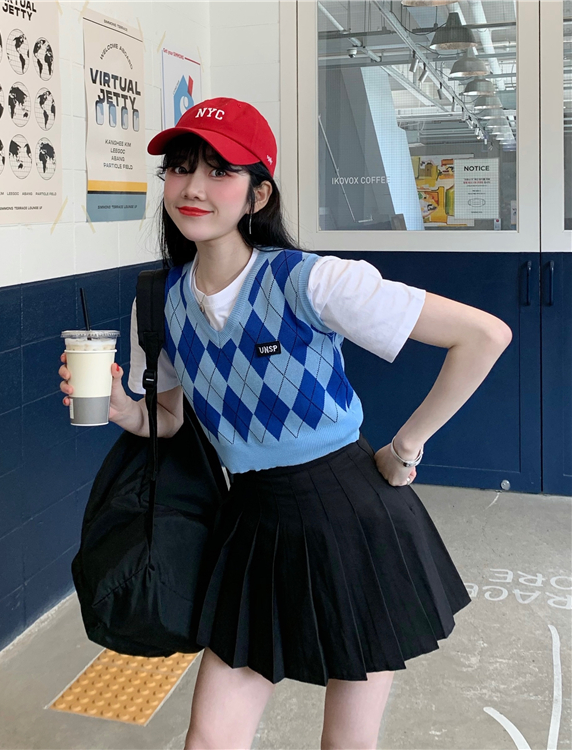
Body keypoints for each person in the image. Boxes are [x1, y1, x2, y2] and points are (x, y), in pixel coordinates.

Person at [59, 97, 512, 750]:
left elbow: (484, 336)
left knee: (345, 744)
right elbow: (171, 417)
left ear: (258, 194)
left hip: (351, 517)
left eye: (220, 171)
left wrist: (405, 448)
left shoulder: (313, 281)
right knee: (209, 739)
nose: (192, 187)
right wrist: (122, 408)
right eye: (181, 168)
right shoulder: (158, 304)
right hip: (251, 521)